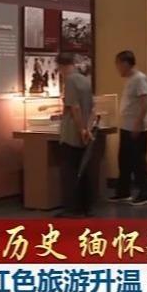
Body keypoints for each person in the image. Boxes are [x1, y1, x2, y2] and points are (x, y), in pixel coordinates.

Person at [110, 50, 147, 206]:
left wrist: (137, 123)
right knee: (124, 161)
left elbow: (144, 102)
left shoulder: (139, 79)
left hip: (136, 127)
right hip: (126, 126)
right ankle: (123, 191)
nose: (117, 68)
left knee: (138, 162)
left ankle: (145, 193)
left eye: (118, 64)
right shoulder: (129, 79)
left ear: (126, 63)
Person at [57, 52, 95, 216]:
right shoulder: (85, 80)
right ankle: (85, 206)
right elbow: (92, 108)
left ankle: (72, 208)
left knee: (69, 171)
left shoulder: (70, 80)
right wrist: (88, 128)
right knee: (83, 170)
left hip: (72, 132)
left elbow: (74, 107)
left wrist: (81, 129)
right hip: (85, 129)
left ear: (61, 66)